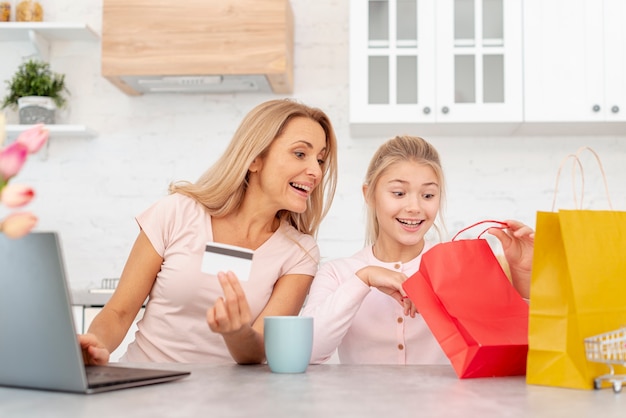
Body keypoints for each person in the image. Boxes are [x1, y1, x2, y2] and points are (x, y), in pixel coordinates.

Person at [79, 99, 338, 365]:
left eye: (320, 159)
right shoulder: (176, 213)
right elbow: (119, 312)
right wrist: (95, 345)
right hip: (143, 387)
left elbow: (259, 351)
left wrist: (237, 334)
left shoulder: (299, 253)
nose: (316, 171)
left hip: (228, 402)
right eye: (300, 154)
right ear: (255, 159)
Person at [301, 135, 534, 365]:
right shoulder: (337, 273)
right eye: (399, 193)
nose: (414, 207)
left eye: (428, 195)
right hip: (363, 403)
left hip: (445, 403)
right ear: (368, 194)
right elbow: (307, 352)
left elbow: (514, 346)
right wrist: (364, 279)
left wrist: (523, 274)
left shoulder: (459, 269)